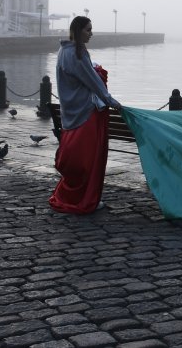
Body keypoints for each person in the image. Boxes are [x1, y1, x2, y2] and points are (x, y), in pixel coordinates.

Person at [49, 16, 122, 214]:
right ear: (79, 30)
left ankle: (71, 195)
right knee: (91, 161)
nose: (91, 33)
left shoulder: (62, 51)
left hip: (69, 113)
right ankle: (85, 199)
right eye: (88, 29)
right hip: (86, 114)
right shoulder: (78, 54)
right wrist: (112, 102)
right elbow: (94, 83)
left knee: (78, 162)